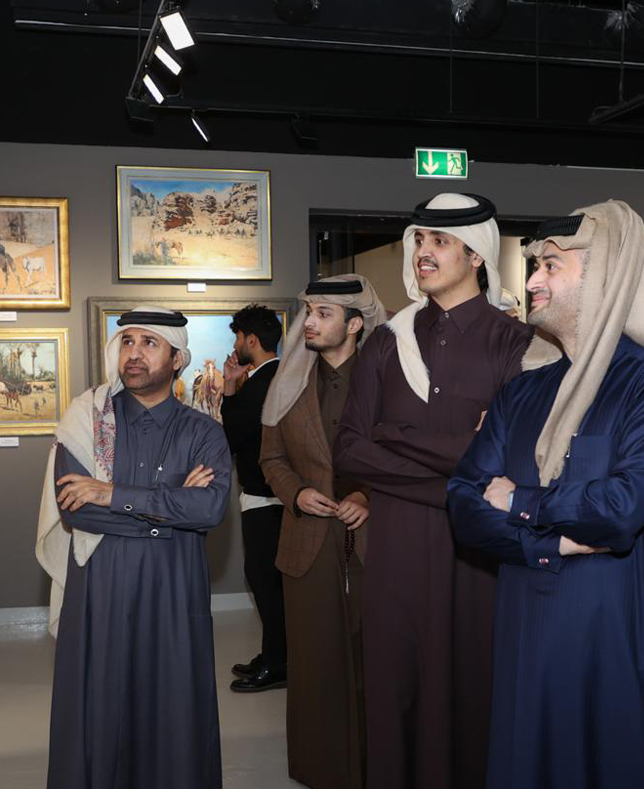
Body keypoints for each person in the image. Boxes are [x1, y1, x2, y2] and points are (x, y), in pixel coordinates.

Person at [447, 202, 644, 789]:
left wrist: (521, 503)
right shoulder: (522, 391)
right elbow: (464, 504)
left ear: (605, 274)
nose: (534, 280)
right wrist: (548, 548)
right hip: (528, 637)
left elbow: (622, 509)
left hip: (624, 646)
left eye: (552, 265)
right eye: (535, 267)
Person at [334, 193, 537, 789]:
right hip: (395, 550)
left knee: (475, 686)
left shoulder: (515, 343)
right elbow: (348, 449)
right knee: (394, 686)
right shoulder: (384, 341)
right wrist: (455, 477)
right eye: (419, 240)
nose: (423, 252)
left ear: (475, 255)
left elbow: (502, 457)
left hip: (476, 556)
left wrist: (394, 434)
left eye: (439, 242)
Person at [35, 306, 231, 789]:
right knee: (99, 705)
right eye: (127, 342)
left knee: (172, 701)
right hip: (100, 587)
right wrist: (168, 512)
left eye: (149, 344)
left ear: (177, 359)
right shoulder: (86, 419)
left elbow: (209, 510)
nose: (135, 354)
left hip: (174, 590)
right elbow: (74, 508)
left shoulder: (204, 431)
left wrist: (111, 493)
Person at [259, 274, 387, 789]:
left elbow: (409, 455)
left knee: (379, 661)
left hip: (380, 544)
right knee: (314, 667)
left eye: (323, 313)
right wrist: (295, 493)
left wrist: (368, 497)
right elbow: (271, 457)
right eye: (308, 311)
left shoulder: (390, 380)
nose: (309, 322)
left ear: (355, 324)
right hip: (306, 541)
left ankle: (380, 764)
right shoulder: (287, 381)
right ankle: (320, 770)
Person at [220, 304, 286, 691]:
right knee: (271, 584)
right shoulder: (279, 376)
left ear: (251, 340)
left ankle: (278, 664)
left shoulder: (260, 384)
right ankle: (275, 654)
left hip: (265, 499)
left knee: (264, 583)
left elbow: (230, 438)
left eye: (237, 337)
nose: (235, 344)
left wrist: (230, 389)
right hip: (279, 499)